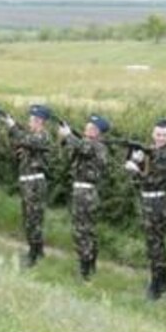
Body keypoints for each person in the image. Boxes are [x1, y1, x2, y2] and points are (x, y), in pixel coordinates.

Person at [124, 119, 166, 300]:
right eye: (158, 134)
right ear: (152, 134)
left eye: (164, 135)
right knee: (155, 243)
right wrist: (136, 160)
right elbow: (146, 171)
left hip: (157, 201)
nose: (160, 138)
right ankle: (163, 283)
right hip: (148, 200)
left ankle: (156, 285)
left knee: (155, 244)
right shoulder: (152, 151)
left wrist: (135, 170)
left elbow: (152, 180)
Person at [58, 114, 109, 280]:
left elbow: (83, 148)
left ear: (98, 132)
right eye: (87, 127)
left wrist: (69, 135)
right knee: (85, 229)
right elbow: (72, 152)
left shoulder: (98, 146)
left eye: (91, 128)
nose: (87, 130)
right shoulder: (85, 143)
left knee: (83, 230)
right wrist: (66, 137)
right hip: (80, 190)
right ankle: (89, 263)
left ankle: (85, 267)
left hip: (86, 192)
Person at [4, 105, 52, 266]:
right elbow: (19, 146)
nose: (29, 123)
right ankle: (37, 249)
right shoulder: (31, 137)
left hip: (35, 183)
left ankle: (34, 254)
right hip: (27, 182)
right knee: (28, 218)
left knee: (34, 219)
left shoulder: (42, 137)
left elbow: (25, 140)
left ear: (39, 121)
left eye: (31, 120)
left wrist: (13, 126)